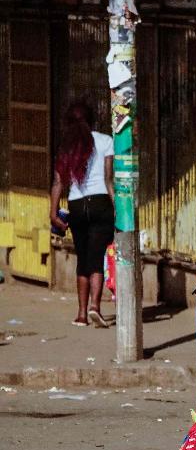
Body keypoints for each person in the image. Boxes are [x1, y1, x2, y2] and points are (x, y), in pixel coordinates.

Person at [49, 102, 114, 328]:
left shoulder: (67, 146)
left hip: (76, 205)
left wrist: (53, 212)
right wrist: (117, 208)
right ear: (92, 119)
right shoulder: (105, 141)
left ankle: (81, 314)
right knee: (96, 257)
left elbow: (58, 182)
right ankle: (96, 306)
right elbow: (108, 180)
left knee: (83, 260)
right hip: (101, 203)